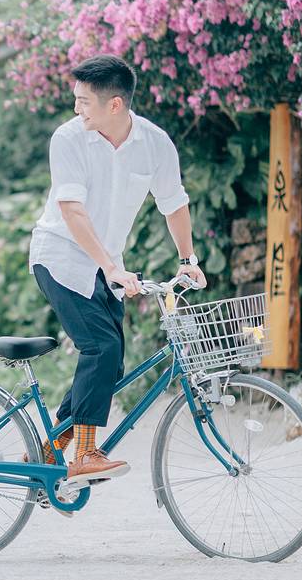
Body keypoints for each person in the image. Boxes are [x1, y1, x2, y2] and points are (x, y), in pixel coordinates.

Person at [28, 55, 207, 484]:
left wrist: (188, 260)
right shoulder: (67, 139)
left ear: (115, 105)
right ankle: (85, 453)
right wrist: (110, 267)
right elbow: (72, 211)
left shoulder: (155, 143)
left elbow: (174, 203)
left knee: (112, 366)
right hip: (61, 255)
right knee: (101, 350)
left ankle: (50, 448)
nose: (76, 109)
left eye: (84, 101)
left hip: (107, 264)